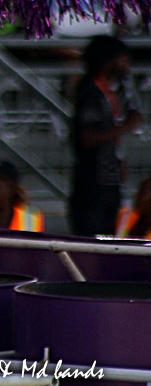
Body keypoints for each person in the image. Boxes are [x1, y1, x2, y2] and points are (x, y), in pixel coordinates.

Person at [69, 35, 143, 237]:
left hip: (109, 185)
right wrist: (125, 127)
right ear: (108, 60)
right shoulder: (90, 92)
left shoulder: (109, 92)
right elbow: (87, 138)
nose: (125, 65)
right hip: (92, 188)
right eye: (122, 59)